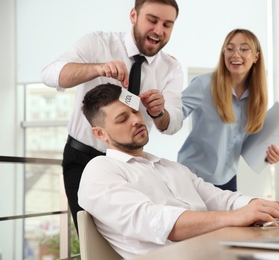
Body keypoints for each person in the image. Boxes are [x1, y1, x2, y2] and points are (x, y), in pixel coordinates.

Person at [78, 83, 279, 259]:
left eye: (135, 112)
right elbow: (153, 220)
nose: (136, 120)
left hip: (218, 252)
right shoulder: (100, 171)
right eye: (122, 119)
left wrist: (273, 207)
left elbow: (221, 198)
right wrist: (236, 217)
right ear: (100, 133)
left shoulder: (170, 167)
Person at [40, 0, 183, 231]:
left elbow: (173, 123)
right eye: (152, 20)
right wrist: (97, 68)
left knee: (132, 238)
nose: (159, 31)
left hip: (133, 165)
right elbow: (49, 74)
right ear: (133, 15)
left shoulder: (171, 68)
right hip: (83, 160)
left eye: (168, 24)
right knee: (92, 240)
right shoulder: (98, 43)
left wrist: (159, 112)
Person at [178, 28, 279, 191]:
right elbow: (172, 116)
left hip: (227, 180)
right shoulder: (203, 84)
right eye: (230, 49)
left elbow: (250, 145)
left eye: (244, 49)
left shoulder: (256, 98)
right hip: (192, 178)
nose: (235, 54)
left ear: (256, 56)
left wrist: (270, 154)